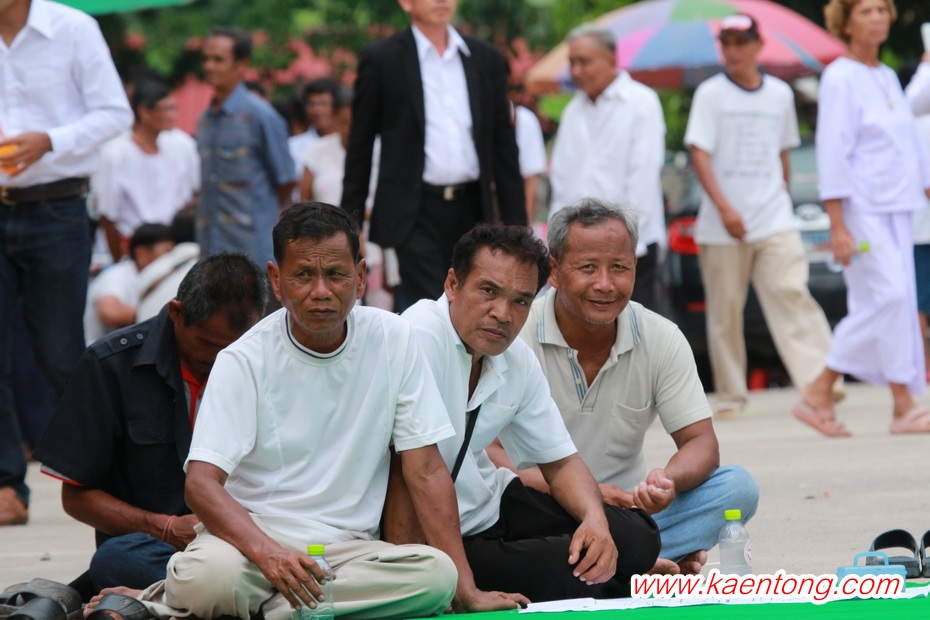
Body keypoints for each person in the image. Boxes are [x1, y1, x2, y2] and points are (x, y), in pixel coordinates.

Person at [96, 203, 527, 619]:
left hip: (349, 551)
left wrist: (466, 591)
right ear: (276, 280)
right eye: (303, 275)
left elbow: (426, 470)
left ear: (360, 277)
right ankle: (290, 607)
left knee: (436, 576)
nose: (321, 291)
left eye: (336, 274)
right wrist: (269, 555)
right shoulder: (242, 359)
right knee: (209, 580)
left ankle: (249, 610)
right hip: (250, 544)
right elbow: (201, 484)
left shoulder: (394, 338)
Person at [394, 225, 661, 601]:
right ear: (453, 284)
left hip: (490, 505)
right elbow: (420, 474)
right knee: (567, 571)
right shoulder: (418, 335)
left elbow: (561, 463)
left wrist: (595, 521)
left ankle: (615, 569)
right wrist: (464, 589)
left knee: (636, 536)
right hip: (434, 532)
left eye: (521, 301)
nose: (502, 314)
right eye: (488, 291)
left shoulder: (516, 356)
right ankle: (613, 575)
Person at [513, 198, 758, 576]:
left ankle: (615, 560)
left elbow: (701, 442)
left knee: (737, 488)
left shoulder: (661, 337)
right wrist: (590, 494)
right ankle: (635, 560)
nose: (605, 284)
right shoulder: (516, 336)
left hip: (629, 516)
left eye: (619, 268)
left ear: (635, 268)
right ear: (555, 271)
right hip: (536, 509)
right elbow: (489, 462)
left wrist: (667, 481)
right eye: (588, 268)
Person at [34, 254, 268, 600]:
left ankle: (199, 594)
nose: (221, 358)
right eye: (207, 343)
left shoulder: (269, 359)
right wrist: (164, 527)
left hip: (252, 544)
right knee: (117, 560)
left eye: (234, 347)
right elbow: (77, 497)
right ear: (176, 313)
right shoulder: (111, 365)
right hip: (161, 550)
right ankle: (238, 592)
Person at [0, 0, 132, 526]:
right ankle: (7, 485)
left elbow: (116, 113)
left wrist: (50, 140)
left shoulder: (73, 28)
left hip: (56, 206)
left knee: (60, 352)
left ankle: (114, 472)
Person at [684, 14, 835, 418]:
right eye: (727, 43)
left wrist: (782, 196)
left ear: (758, 45)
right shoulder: (711, 94)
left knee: (791, 291)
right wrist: (725, 208)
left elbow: (783, 151)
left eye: (741, 42)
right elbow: (699, 154)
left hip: (773, 216)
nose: (734, 50)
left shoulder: (780, 94)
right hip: (722, 224)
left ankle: (820, 383)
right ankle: (731, 395)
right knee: (725, 312)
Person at [800, 0, 930, 435]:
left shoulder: (887, 75)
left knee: (896, 303)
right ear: (846, 22)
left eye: (881, 10)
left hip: (899, 207)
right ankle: (820, 388)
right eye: (865, 11)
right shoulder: (840, 76)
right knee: (890, 297)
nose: (876, 18)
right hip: (861, 211)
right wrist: (838, 224)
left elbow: (908, 143)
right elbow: (832, 152)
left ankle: (902, 406)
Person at [342, 0, 525, 310]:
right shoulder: (383, 58)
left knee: (473, 302)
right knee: (429, 306)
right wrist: (350, 222)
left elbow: (504, 147)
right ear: (406, 3)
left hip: (474, 207)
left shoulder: (486, 58)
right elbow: (361, 144)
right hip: (414, 211)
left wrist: (518, 226)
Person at [548, 24, 665, 311]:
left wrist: (620, 243)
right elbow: (561, 181)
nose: (576, 71)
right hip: (578, 249)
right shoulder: (573, 110)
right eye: (572, 62)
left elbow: (643, 177)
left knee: (632, 327)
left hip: (631, 247)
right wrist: (556, 241)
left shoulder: (641, 102)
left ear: (612, 59)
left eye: (584, 61)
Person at [196, 26, 296, 266]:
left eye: (218, 60)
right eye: (206, 59)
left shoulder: (261, 116)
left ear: (241, 64)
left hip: (254, 251)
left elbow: (285, 180)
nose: (209, 66)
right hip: (211, 252)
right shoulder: (205, 120)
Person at [94, 78, 200, 262]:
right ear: (143, 111)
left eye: (173, 108)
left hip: (177, 247)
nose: (172, 116)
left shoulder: (183, 145)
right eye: (165, 109)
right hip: (134, 249)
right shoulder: (114, 153)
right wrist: (122, 259)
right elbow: (107, 214)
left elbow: (197, 192)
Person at [83, 223, 174, 345]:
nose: (172, 258)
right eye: (167, 252)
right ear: (141, 253)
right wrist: (160, 316)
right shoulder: (117, 276)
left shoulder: (157, 277)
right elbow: (109, 312)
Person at [288, 78, 339, 180]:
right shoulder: (293, 147)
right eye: (311, 104)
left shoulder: (346, 144)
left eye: (323, 104)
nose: (317, 110)